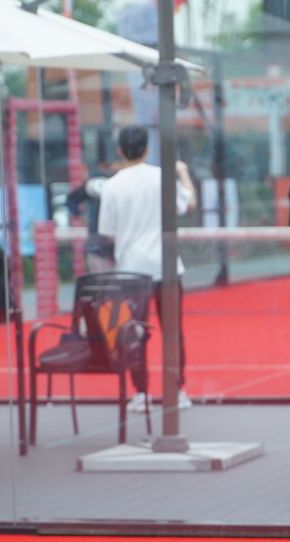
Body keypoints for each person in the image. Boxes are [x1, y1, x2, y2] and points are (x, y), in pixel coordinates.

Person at [97, 126, 197, 413]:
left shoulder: (113, 186)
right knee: (172, 332)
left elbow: (108, 231)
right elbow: (188, 203)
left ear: (120, 150)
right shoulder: (162, 177)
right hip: (165, 266)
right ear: (147, 149)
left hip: (131, 270)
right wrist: (182, 172)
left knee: (133, 332)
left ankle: (140, 393)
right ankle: (177, 391)